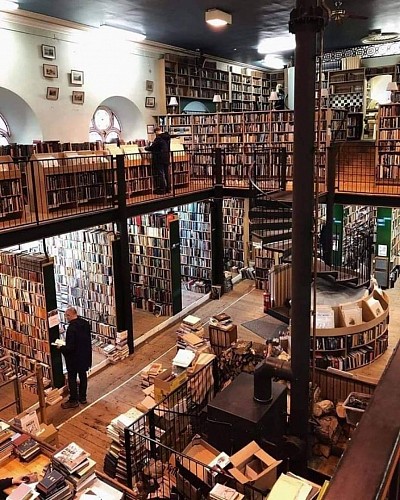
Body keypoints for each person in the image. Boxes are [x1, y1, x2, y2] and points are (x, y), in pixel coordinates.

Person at [57, 306, 92, 409]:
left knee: (72, 378)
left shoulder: (71, 328)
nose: (66, 318)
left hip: (74, 359)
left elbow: (70, 347)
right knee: (83, 376)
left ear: (70, 315)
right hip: (84, 357)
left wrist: (61, 347)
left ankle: (73, 400)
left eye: (67, 316)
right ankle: (83, 397)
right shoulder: (85, 323)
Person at [145, 127, 171, 194]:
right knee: (167, 174)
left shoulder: (158, 138)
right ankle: (169, 189)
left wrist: (146, 148)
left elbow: (153, 147)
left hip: (159, 158)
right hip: (166, 157)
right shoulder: (167, 137)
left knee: (161, 174)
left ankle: (162, 190)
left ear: (156, 131)